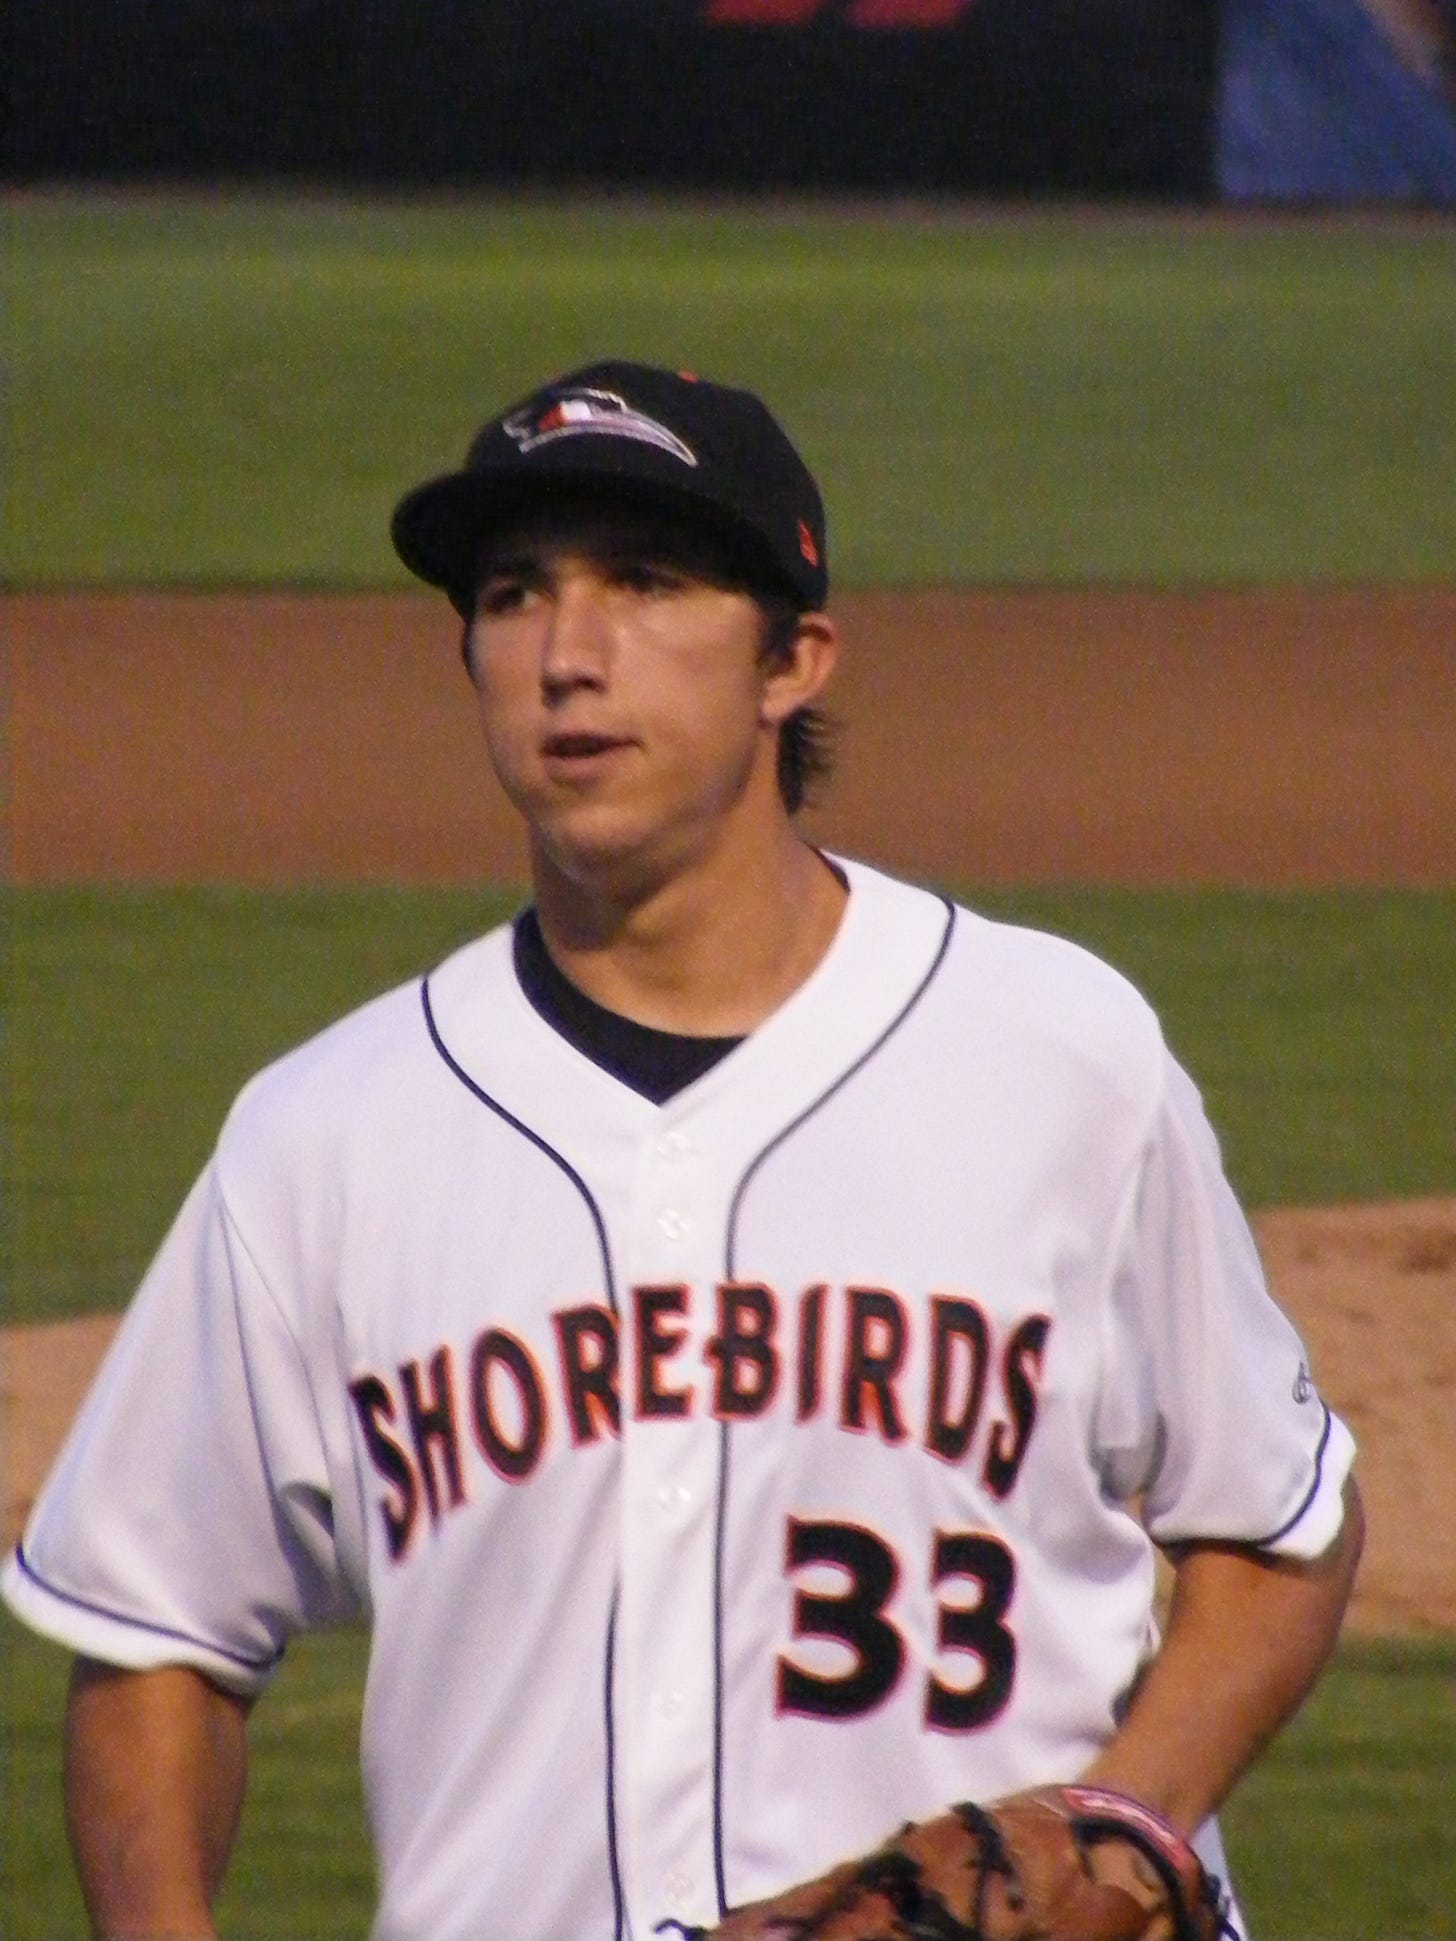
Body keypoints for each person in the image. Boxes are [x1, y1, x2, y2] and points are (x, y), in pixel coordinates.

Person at [3, 361, 1363, 1941]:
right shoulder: (324, 1135)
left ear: (795, 659)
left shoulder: (1060, 1054)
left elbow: (1278, 1525)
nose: (570, 657)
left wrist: (1125, 1819)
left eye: (644, 585)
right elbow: (155, 1630)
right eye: (515, 597)